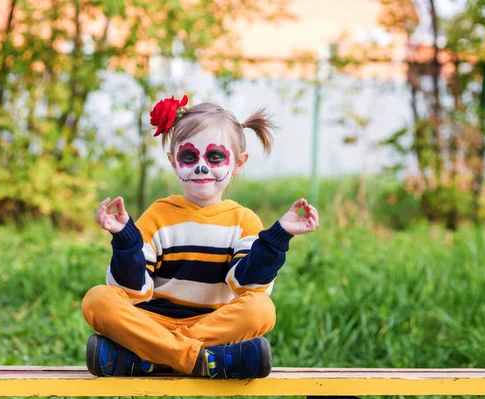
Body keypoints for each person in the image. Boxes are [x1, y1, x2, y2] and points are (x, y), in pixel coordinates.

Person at [82, 95, 319, 379]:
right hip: (153, 321)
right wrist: (124, 238)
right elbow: (132, 288)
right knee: (98, 300)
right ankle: (200, 360)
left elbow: (247, 283)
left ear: (239, 162)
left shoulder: (243, 221)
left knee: (261, 308)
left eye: (215, 156)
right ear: (173, 161)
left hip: (211, 325)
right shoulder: (158, 215)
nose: (201, 166)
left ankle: (153, 358)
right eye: (189, 156)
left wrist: (278, 236)